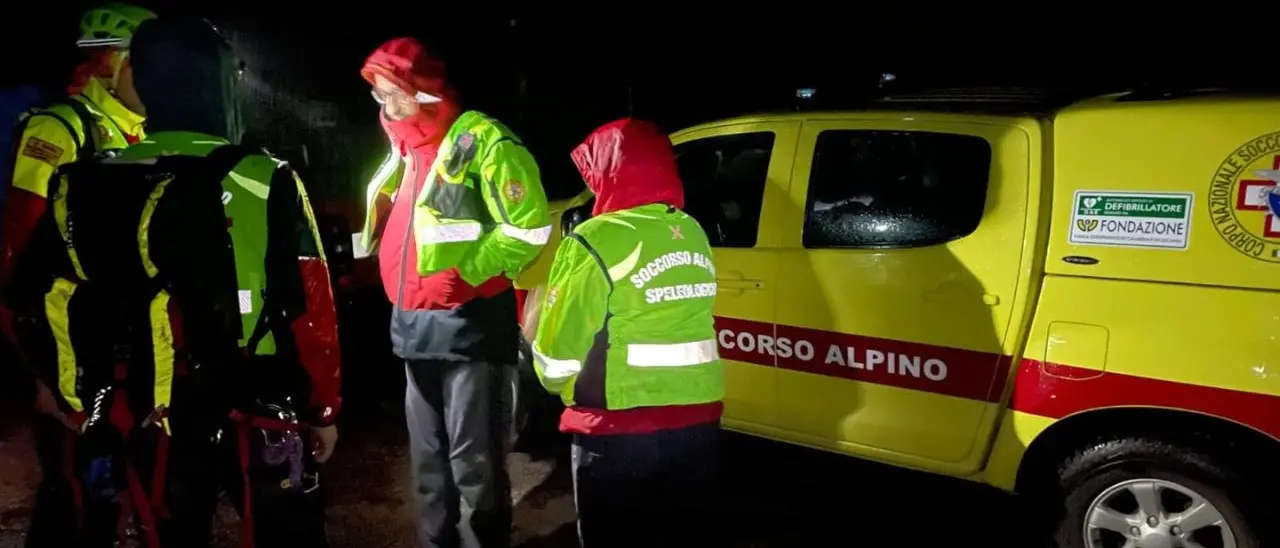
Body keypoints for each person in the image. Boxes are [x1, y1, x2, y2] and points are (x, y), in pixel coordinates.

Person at [5, 16, 342, 547]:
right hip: (258, 403)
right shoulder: (264, 176)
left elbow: (35, 293)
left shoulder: (89, 179)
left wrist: (65, 390)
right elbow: (311, 305)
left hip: (148, 408)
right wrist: (323, 408)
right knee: (287, 533)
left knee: (169, 531)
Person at [357, 36, 551, 548]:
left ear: (424, 89)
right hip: (413, 328)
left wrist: (465, 276)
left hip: (470, 326)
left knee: (476, 467)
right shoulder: (403, 150)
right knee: (428, 468)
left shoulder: (482, 141)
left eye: (394, 92)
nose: (387, 106)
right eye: (379, 96)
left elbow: (528, 228)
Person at [528, 118, 726, 548]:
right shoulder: (691, 230)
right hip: (698, 428)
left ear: (611, 172)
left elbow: (557, 361)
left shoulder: (593, 238)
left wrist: (539, 347)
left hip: (617, 435)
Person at [0, 4, 155, 546]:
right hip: (67, 358)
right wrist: (41, 369)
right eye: (145, 63)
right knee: (72, 495)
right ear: (111, 63)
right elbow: (18, 252)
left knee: (112, 495)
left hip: (113, 351)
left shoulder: (133, 132)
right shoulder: (58, 129)